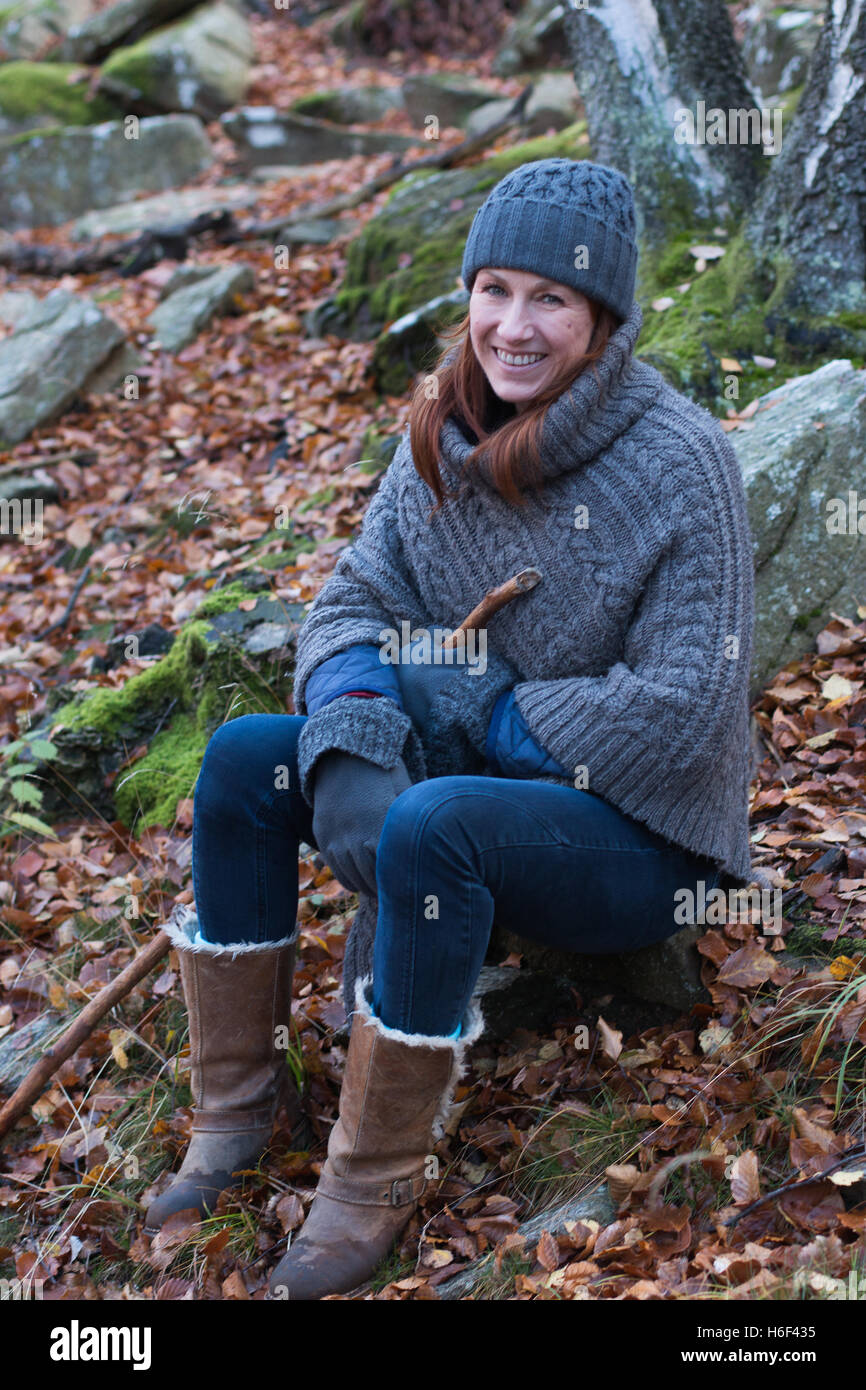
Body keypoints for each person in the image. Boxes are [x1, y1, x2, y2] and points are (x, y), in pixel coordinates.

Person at [143, 158, 755, 1300]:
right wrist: (363, 721)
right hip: (457, 777)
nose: (513, 327)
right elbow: (347, 605)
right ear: (467, 290)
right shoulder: (438, 426)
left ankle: (364, 1186)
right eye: (496, 289)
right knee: (242, 760)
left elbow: (683, 711)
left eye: (551, 301)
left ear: (603, 319)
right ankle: (239, 1109)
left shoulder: (682, 464)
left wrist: (474, 711)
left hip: (636, 834)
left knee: (436, 822)